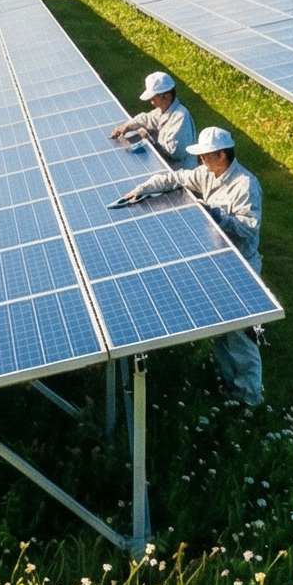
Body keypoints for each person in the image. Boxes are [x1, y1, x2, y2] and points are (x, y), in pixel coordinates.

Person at [117, 125, 265, 406]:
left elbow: (247, 228)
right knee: (220, 331)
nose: (201, 162)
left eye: (206, 156)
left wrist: (217, 216)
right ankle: (230, 386)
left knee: (238, 334)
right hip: (220, 263)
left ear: (222, 154)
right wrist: (143, 188)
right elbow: (176, 177)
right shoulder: (208, 174)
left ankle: (250, 398)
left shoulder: (245, 185)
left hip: (241, 267)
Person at [109, 70, 193, 166]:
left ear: (167, 96)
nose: (151, 102)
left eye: (153, 98)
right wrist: (128, 126)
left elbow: (174, 154)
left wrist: (149, 139)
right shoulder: (164, 109)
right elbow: (147, 118)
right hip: (166, 165)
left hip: (178, 171)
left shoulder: (180, 117)